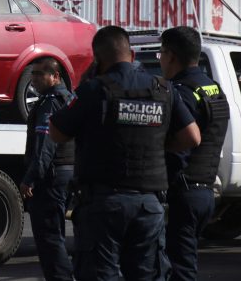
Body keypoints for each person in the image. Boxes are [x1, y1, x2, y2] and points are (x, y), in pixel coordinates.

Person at [49, 25, 201, 281]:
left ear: (97, 59)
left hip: (104, 205)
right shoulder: (163, 89)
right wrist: (155, 144)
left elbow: (56, 132)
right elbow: (192, 136)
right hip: (148, 205)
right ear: (132, 55)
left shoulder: (94, 90)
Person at [159, 26, 230, 281]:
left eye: (161, 53)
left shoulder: (181, 92)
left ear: (172, 56)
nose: (160, 60)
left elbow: (180, 149)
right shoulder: (213, 89)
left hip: (185, 191)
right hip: (206, 190)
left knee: (180, 269)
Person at [19, 57, 74, 281]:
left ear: (55, 77)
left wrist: (30, 179)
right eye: (33, 74)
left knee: (49, 237)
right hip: (65, 173)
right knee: (56, 234)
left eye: (40, 74)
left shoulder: (50, 102)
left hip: (52, 177)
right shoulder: (68, 99)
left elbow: (45, 147)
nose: (35, 79)